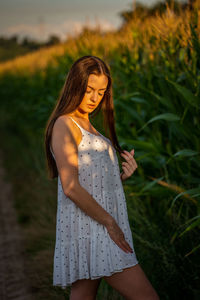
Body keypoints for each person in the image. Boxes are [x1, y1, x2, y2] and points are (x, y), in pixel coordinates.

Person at [44, 55, 159, 300]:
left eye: (101, 92)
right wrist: (110, 223)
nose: (95, 98)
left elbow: (89, 180)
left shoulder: (87, 124)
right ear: (75, 85)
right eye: (89, 90)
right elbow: (71, 187)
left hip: (94, 227)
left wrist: (120, 177)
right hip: (95, 229)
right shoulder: (65, 124)